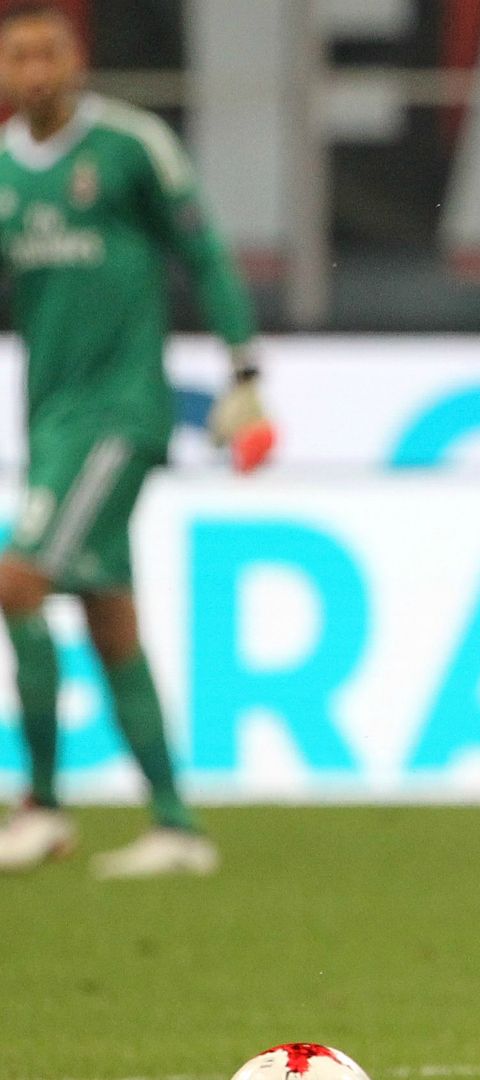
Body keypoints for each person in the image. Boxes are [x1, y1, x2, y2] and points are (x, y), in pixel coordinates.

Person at [0, 0, 263, 878]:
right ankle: (176, 823)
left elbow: (205, 252)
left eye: (47, 54)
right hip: (50, 419)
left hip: (119, 413)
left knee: (18, 578)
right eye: (18, 59)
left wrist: (244, 369)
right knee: (107, 614)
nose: (34, 72)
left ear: (74, 61)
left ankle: (39, 807)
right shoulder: (3, 171)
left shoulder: (128, 146)